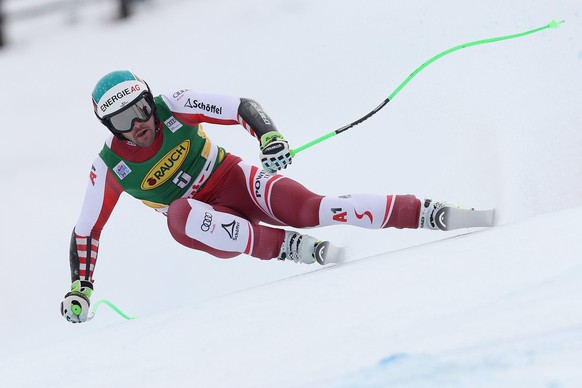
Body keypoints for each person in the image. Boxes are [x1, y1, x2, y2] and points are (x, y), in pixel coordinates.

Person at [61, 70, 489, 323]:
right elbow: (87, 230)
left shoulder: (173, 104)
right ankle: (286, 248)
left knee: (315, 209)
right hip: (210, 224)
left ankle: (436, 213)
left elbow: (240, 106)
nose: (138, 123)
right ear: (109, 127)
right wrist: (81, 288)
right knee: (179, 214)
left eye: (140, 109)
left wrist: (269, 137)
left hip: (237, 181)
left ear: (148, 99)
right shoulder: (107, 167)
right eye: (122, 119)